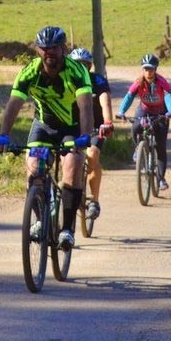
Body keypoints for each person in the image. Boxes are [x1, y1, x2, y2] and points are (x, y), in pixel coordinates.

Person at [0, 27, 94, 251]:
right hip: (43, 127)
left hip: (71, 127)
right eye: (44, 49)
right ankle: (40, 220)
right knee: (33, 166)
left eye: (54, 48)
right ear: (38, 50)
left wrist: (86, 135)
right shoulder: (30, 72)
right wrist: (4, 135)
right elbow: (13, 105)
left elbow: (86, 107)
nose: (49, 53)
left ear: (63, 48)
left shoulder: (77, 71)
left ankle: (66, 229)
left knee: (72, 164)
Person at [117, 54, 171, 191]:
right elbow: (129, 97)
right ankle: (138, 147)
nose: (148, 72)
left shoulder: (162, 82)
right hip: (144, 110)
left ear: (155, 69)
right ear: (142, 70)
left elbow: (169, 96)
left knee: (160, 147)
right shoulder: (138, 82)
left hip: (161, 113)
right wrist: (121, 111)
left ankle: (161, 179)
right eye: (145, 69)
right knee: (135, 126)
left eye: (151, 69)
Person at [68, 47, 113, 220]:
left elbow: (105, 101)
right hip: (71, 127)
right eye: (77, 64)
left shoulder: (97, 80)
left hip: (95, 127)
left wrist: (107, 122)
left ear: (89, 66)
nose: (81, 68)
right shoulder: (66, 81)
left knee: (92, 154)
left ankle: (94, 200)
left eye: (84, 65)